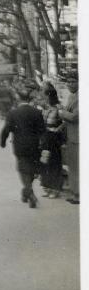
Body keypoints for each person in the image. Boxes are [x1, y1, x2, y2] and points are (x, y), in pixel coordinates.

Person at [0, 89, 46, 208]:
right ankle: (27, 190)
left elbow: (6, 129)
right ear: (30, 99)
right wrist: (43, 145)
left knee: (22, 168)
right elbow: (42, 131)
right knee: (31, 168)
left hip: (19, 145)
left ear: (18, 99)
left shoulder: (12, 113)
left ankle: (28, 191)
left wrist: (3, 141)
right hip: (34, 145)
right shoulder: (37, 112)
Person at [39, 87, 65, 199]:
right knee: (44, 161)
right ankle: (47, 187)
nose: (42, 97)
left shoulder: (59, 108)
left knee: (54, 163)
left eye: (44, 95)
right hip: (45, 137)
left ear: (50, 96)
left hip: (54, 139)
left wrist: (58, 129)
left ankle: (55, 189)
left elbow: (65, 123)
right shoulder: (45, 107)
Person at [59, 72, 79, 204]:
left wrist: (62, 112)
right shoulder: (72, 96)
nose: (70, 84)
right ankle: (74, 192)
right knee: (73, 166)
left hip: (77, 137)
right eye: (68, 82)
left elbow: (75, 116)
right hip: (72, 136)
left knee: (76, 167)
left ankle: (77, 195)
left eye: (73, 81)